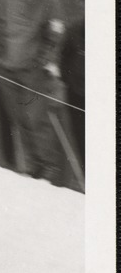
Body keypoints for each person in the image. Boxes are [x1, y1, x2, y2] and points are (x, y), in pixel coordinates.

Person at [0, 0, 65, 181]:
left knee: (37, 119)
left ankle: (48, 165)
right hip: (7, 66)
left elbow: (57, 33)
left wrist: (46, 58)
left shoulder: (50, 1)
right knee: (18, 118)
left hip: (34, 70)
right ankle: (32, 165)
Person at [59, 18, 84, 169]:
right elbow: (64, 56)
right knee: (78, 133)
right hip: (75, 91)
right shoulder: (75, 29)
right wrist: (66, 78)